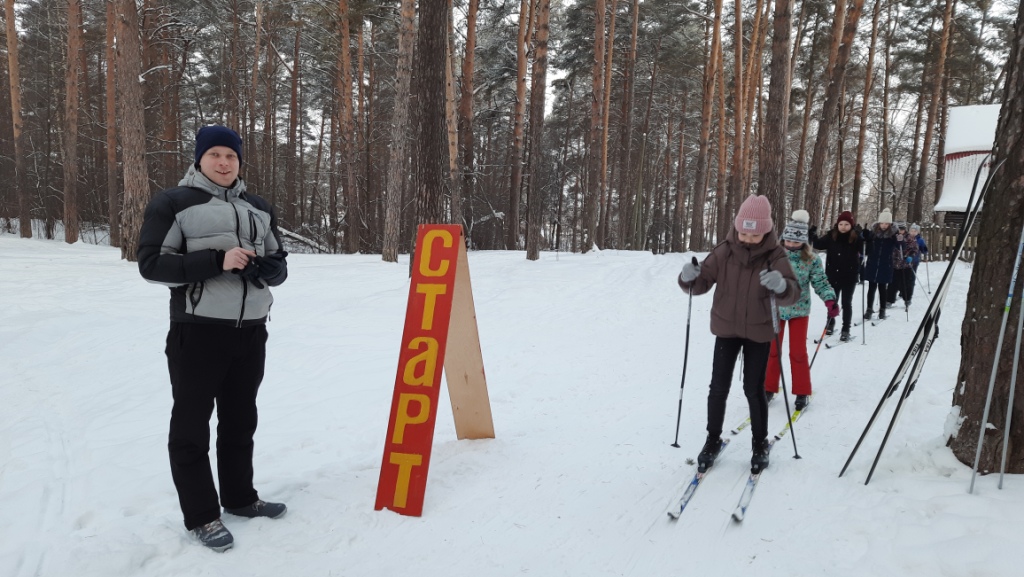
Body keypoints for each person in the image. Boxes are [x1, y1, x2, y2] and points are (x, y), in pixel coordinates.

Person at [137, 125, 289, 552]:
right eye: (215, 155)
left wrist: (266, 268)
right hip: (198, 331)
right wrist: (217, 260)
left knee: (240, 421)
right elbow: (151, 264)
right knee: (190, 428)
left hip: (251, 331)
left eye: (231, 156)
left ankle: (240, 498)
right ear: (200, 159)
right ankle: (202, 516)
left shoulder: (258, 207)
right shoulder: (174, 202)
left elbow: (279, 264)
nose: (224, 163)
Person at [678, 194, 800, 474]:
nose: (748, 238)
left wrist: (781, 285)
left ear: (766, 231)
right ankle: (712, 439)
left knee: (753, 389)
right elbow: (701, 283)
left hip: (759, 330)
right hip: (726, 328)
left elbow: (793, 292)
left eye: (754, 234)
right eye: (744, 232)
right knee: (718, 387)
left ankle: (759, 443)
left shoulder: (776, 255)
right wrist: (688, 277)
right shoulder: (724, 251)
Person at [764, 210, 838, 411]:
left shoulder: (812, 259)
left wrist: (830, 299)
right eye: (788, 240)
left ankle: (802, 391)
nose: (791, 244)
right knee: (772, 351)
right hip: (775, 310)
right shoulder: (773, 256)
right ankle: (768, 387)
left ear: (804, 241)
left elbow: (820, 282)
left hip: (800, 310)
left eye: (796, 242)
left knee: (797, 352)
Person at [811, 210, 863, 341]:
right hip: (833, 275)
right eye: (841, 224)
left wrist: (864, 236)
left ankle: (846, 329)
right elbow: (818, 245)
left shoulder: (855, 237)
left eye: (846, 224)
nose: (843, 227)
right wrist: (812, 234)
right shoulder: (831, 236)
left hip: (849, 276)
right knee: (832, 301)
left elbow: (866, 250)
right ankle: (830, 324)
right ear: (837, 225)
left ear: (851, 225)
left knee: (846, 303)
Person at [861, 208, 897, 321]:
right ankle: (869, 309)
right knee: (871, 288)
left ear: (890, 224)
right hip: (873, 263)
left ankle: (882, 309)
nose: (884, 225)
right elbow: (865, 244)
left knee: (882, 288)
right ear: (879, 223)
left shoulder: (893, 235)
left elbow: (901, 246)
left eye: (886, 223)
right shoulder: (873, 234)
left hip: (885, 265)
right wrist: (864, 236)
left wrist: (900, 241)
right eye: (882, 223)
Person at [886, 222, 919, 309]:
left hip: (906, 264)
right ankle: (889, 300)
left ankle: (907, 299)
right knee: (892, 283)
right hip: (895, 264)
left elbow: (915, 249)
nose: (901, 231)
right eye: (899, 229)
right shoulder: (893, 237)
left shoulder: (909, 238)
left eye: (902, 229)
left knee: (906, 283)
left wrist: (911, 256)